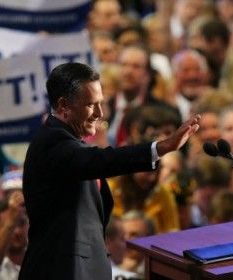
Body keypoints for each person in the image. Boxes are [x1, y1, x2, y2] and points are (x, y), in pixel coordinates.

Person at [19, 62, 200, 280]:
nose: (100, 113)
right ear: (64, 105)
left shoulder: (71, 144)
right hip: (59, 270)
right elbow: (104, 160)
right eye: (91, 105)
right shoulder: (52, 143)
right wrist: (161, 147)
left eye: (101, 103)